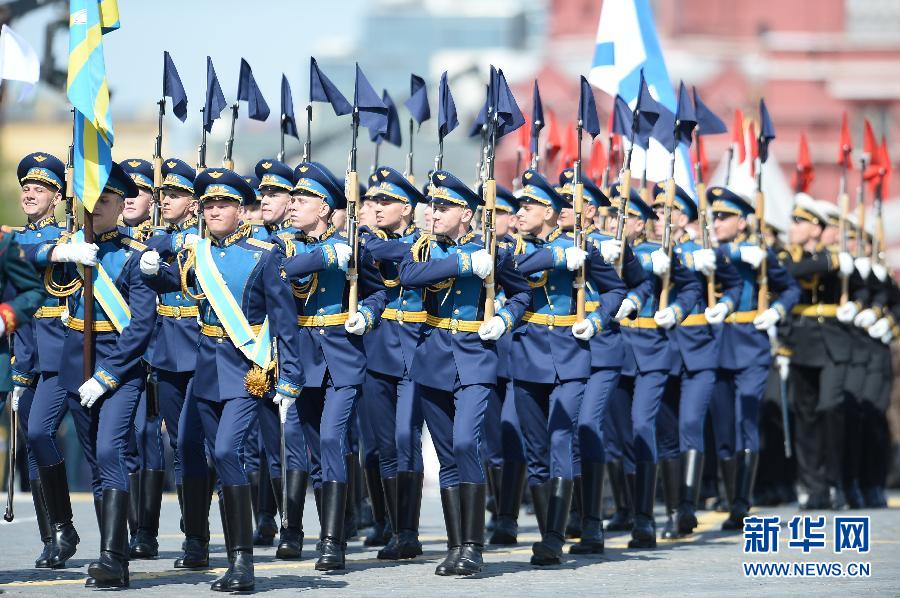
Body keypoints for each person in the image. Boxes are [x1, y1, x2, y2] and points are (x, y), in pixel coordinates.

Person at [141, 168, 305, 592]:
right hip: (207, 368)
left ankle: (243, 562)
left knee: (230, 451)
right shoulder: (197, 253)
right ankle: (232, 558)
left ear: (240, 211)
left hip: (248, 369)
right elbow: (175, 282)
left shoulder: (263, 255)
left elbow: (285, 321)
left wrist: (290, 378)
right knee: (214, 454)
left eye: (224, 205)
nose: (214, 212)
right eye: (209, 205)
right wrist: (150, 269)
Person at [398, 169, 531, 576]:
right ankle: (456, 546)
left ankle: (473, 546)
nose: (433, 214)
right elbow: (408, 276)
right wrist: (462, 262)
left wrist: (505, 319)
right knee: (446, 454)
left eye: (444, 208)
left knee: (464, 443)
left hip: (475, 357)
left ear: (467, 214)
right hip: (433, 359)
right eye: (432, 207)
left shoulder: (492, 251)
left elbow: (522, 293)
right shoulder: (423, 250)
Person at [41, 163, 158, 587]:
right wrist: (58, 254)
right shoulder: (73, 247)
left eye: (106, 201)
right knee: (95, 462)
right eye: (91, 200)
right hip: (77, 364)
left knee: (111, 451)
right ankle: (116, 556)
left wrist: (107, 375)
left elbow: (141, 327)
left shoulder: (135, 256)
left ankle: (111, 557)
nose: (97, 208)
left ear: (122, 206)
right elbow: (21, 252)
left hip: (119, 369)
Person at [508, 169, 626, 565]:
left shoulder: (581, 247)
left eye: (529, 206)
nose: (520, 212)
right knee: (536, 449)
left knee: (563, 438)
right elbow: (510, 269)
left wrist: (597, 320)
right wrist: (556, 256)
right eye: (520, 205)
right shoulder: (509, 247)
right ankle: (550, 528)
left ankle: (555, 538)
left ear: (550, 213)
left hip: (570, 356)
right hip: (527, 355)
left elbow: (615, 289)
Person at [276, 161, 387, 571]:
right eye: (292, 199)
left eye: (301, 200)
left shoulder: (352, 246)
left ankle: (332, 541)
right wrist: (322, 256)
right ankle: (328, 531)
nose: (292, 205)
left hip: (342, 356)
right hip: (302, 358)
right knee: (315, 451)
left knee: (331, 439)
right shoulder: (284, 246)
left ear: (324, 207)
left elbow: (378, 292)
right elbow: (276, 274)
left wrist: (367, 315)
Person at [650, 182, 742, 539]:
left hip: (699, 346)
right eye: (656, 211)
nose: (660, 216)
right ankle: (675, 507)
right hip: (661, 349)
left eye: (667, 211)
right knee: (666, 431)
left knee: (690, 424)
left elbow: (733, 286)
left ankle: (686, 508)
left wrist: (724, 305)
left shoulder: (703, 250)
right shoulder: (648, 251)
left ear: (683, 217)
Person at [708, 186, 799, 531]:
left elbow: (790, 288)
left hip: (750, 344)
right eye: (714, 217)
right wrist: (725, 253)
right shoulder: (707, 252)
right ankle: (729, 495)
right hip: (715, 345)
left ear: (743, 222)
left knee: (746, 420)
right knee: (723, 428)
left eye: (724, 217)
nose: (717, 222)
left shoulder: (760, 253)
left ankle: (741, 504)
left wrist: (776, 310)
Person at [357, 166, 427, 560]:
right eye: (375, 201)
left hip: (416, 353)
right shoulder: (366, 241)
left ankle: (410, 530)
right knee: (383, 444)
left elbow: (402, 253)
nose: (378, 207)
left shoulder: (424, 244)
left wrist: (371, 245)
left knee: (405, 437)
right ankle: (395, 529)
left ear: (408, 208)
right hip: (378, 351)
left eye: (387, 201)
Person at [7, 152, 67, 569]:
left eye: (40, 188)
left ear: (57, 197)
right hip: (29, 354)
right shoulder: (13, 242)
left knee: (44, 433)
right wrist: (18, 367)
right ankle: (53, 538)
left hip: (65, 354)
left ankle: (124, 531)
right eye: (26, 187)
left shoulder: (70, 238)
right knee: (33, 443)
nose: (30, 193)